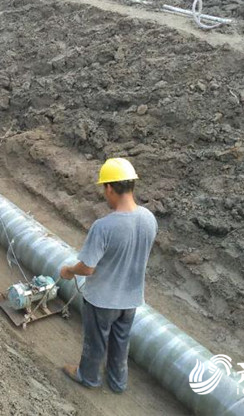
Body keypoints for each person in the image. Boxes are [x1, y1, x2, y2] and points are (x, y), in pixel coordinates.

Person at [60, 158, 157, 393]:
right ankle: (117, 382)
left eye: (105, 189)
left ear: (110, 188)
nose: (105, 195)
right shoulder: (149, 219)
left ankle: (88, 377)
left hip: (102, 300)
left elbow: (88, 268)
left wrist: (69, 271)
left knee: (96, 342)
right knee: (121, 342)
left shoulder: (104, 226)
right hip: (131, 298)